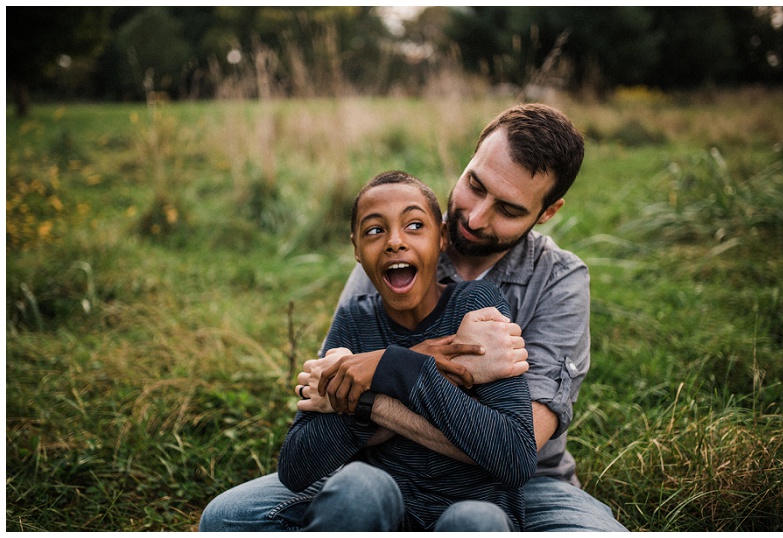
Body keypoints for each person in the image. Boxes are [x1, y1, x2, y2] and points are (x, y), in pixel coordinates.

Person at [199, 103, 628, 532]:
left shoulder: (559, 279)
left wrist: (380, 381)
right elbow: (329, 396)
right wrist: (417, 364)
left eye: (509, 210)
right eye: (474, 185)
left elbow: (517, 448)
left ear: (546, 212)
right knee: (227, 517)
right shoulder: (393, 252)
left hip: (523, 483)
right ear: (468, 162)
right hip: (379, 468)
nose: (476, 217)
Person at [277, 170, 536, 531]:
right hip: (384, 510)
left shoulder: (475, 306)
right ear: (356, 249)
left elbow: (516, 457)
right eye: (374, 230)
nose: (394, 242)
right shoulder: (355, 321)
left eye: (414, 225)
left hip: (474, 508)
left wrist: (387, 369)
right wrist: (407, 368)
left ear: (442, 238)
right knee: (357, 487)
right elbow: (295, 468)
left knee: (475, 520)